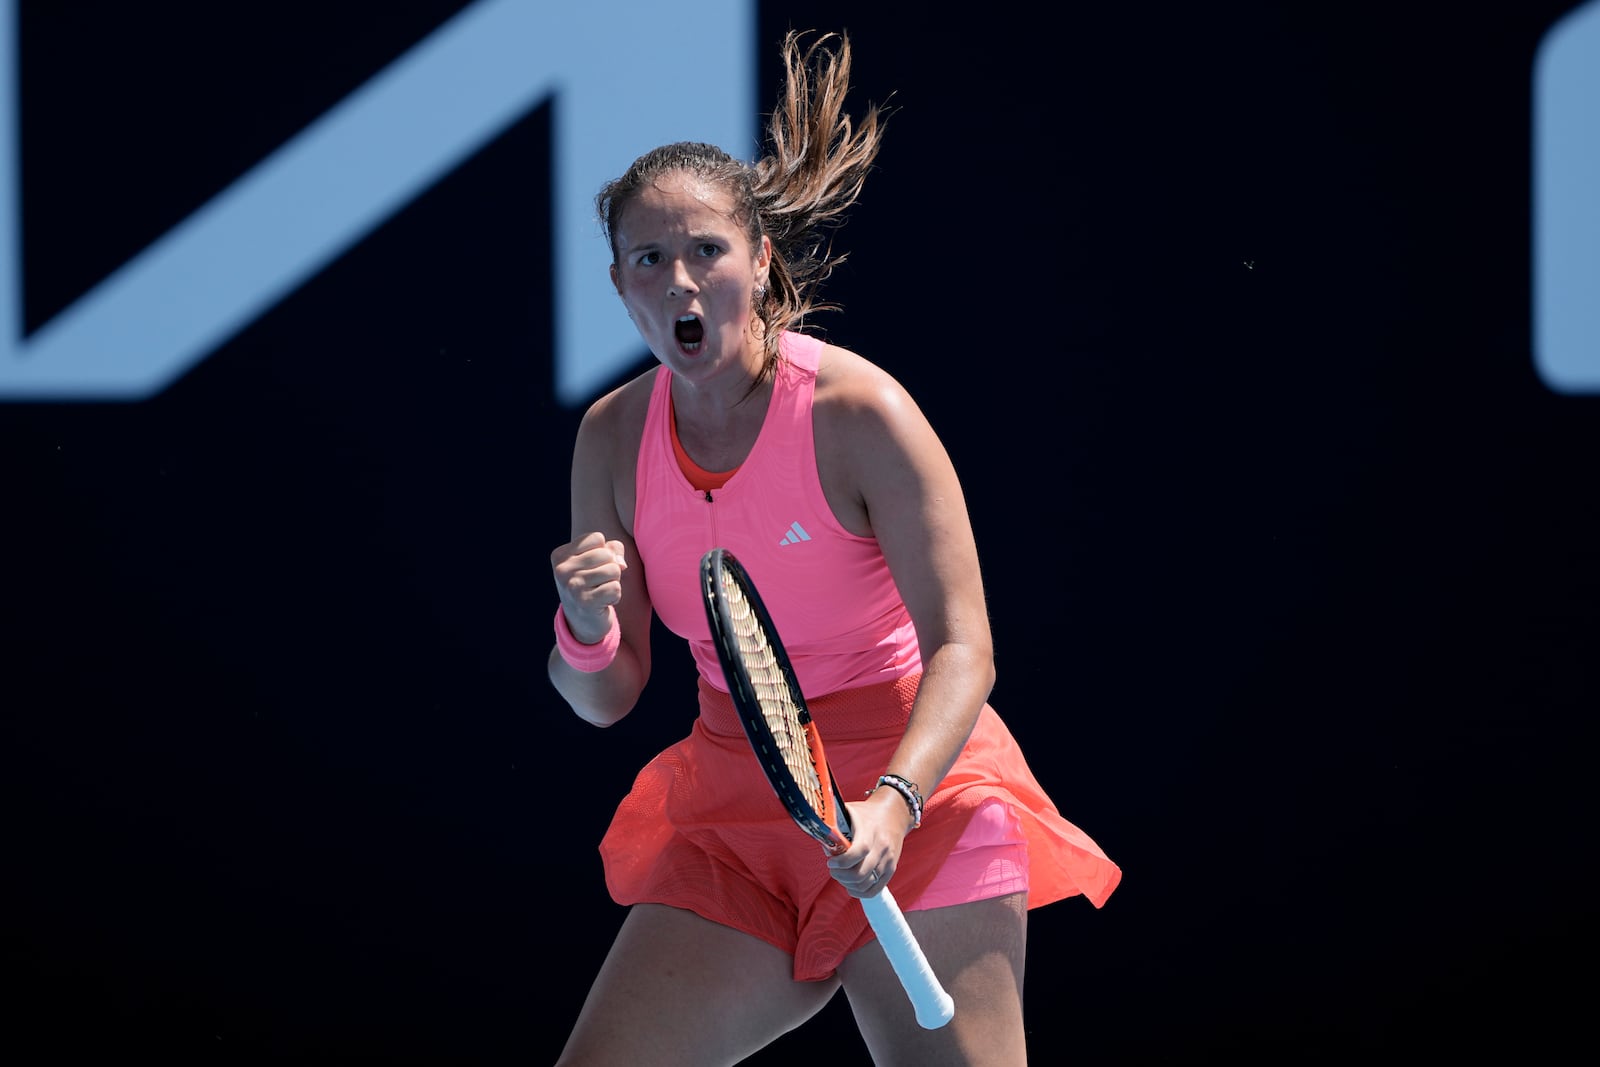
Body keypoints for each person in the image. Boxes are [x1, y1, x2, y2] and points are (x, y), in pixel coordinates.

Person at [547, 30, 1121, 1066]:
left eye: (707, 250)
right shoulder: (610, 437)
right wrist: (585, 630)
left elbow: (964, 647)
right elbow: (605, 694)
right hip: (736, 806)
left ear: (760, 260)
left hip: (920, 794)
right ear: (620, 284)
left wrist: (894, 801)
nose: (680, 280)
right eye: (649, 258)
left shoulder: (859, 413)